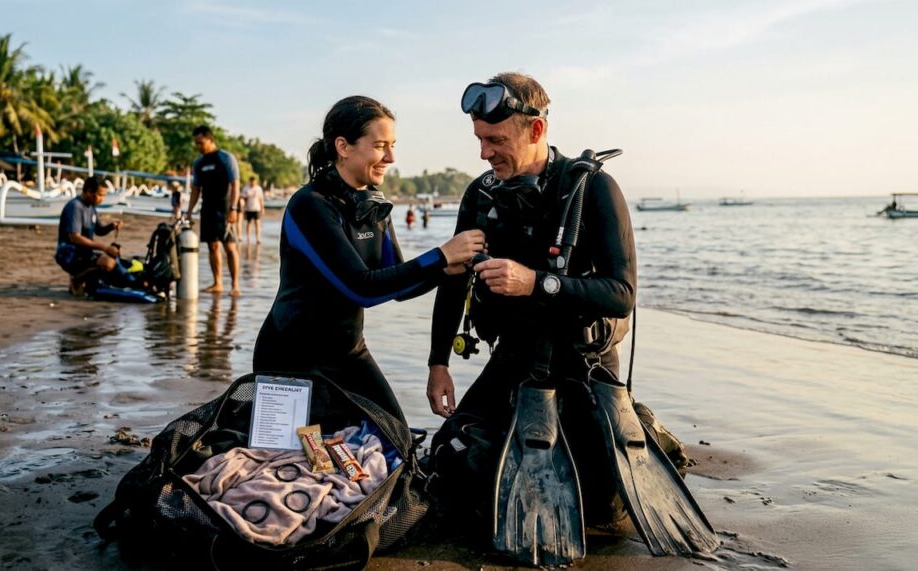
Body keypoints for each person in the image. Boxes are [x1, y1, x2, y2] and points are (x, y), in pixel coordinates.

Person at [426, 72, 638, 535]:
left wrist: (535, 283)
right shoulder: (480, 194)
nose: (484, 153)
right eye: (480, 140)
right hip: (514, 359)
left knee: (602, 511)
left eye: (496, 140)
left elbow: (621, 295)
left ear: (536, 130)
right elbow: (452, 282)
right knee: (450, 471)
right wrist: (437, 363)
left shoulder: (593, 189)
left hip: (583, 368)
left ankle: (636, 431)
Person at [253, 96, 485, 420]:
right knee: (302, 465)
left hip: (349, 354)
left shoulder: (374, 206)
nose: (390, 157)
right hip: (292, 360)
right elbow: (361, 288)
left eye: (392, 145)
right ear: (343, 147)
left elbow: (399, 285)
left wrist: (445, 268)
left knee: (396, 443)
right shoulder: (311, 205)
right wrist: (441, 254)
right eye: (380, 146)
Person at [185, 125, 242, 296]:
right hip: (207, 209)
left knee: (230, 247)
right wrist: (189, 211)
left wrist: (233, 208)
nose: (198, 146)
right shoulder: (199, 163)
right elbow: (196, 189)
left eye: (201, 143)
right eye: (196, 143)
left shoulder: (226, 158)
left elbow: (235, 184)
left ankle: (235, 285)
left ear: (211, 140)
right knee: (212, 247)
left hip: (224, 208)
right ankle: (217, 283)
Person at [54, 175, 124, 294]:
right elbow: (75, 237)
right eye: (100, 195)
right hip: (68, 253)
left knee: (114, 261)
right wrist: (105, 248)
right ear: (89, 191)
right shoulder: (75, 206)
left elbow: (99, 231)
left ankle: (85, 281)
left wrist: (112, 226)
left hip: (84, 253)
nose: (102, 199)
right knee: (107, 263)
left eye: (104, 196)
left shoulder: (91, 207)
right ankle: (76, 280)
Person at [240, 175, 265, 244]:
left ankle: (258, 238)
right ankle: (248, 238)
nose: (253, 183)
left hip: (256, 208)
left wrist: (262, 208)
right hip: (248, 208)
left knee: (257, 223)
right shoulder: (246, 188)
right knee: (249, 224)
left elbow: (261, 199)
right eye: (251, 182)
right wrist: (243, 208)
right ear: (249, 182)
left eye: (254, 182)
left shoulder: (258, 188)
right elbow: (243, 199)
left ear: (256, 182)